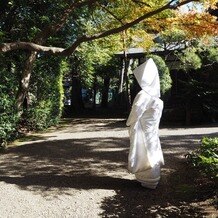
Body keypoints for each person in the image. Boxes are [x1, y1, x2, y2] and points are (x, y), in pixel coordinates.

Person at [126, 58, 164, 189]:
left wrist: (129, 123)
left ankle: (146, 178)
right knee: (152, 149)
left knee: (143, 150)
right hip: (152, 129)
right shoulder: (158, 99)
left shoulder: (144, 95)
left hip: (143, 128)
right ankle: (153, 177)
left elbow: (136, 111)